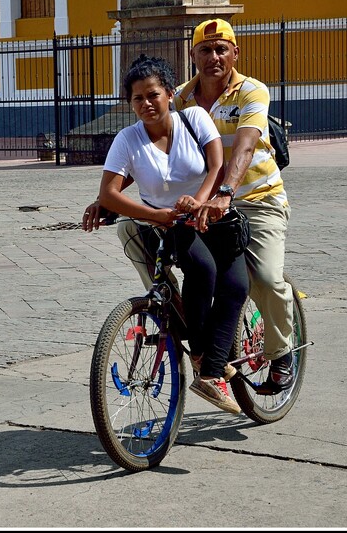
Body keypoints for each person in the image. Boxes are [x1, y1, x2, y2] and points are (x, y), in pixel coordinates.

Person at [95, 19, 295, 395]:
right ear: (193, 56)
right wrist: (109, 196)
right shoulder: (180, 96)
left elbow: (245, 146)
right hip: (201, 205)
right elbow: (163, 154)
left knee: (264, 279)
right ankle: (177, 313)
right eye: (205, 49)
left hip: (255, 197)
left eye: (222, 49)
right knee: (136, 235)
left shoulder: (252, 91)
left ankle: (281, 352)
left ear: (236, 53)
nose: (214, 57)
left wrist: (224, 193)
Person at [82, 54, 249, 414]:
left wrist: (201, 202)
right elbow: (111, 192)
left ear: (170, 94)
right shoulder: (128, 140)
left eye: (152, 94)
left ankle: (209, 365)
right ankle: (209, 366)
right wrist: (157, 214)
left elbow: (217, 164)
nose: (146, 104)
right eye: (137, 98)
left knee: (237, 286)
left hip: (214, 216)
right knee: (202, 271)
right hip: (172, 226)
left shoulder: (195, 119)